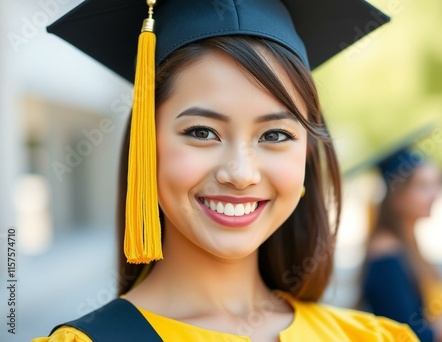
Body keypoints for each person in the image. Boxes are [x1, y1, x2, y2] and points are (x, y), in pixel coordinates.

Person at [34, 0, 419, 341]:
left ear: (307, 155)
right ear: (145, 147)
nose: (240, 173)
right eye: (202, 132)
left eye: (275, 134)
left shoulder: (372, 337)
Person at [359, 148, 442, 341]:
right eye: (423, 186)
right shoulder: (386, 256)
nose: (435, 195)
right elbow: (407, 335)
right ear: (397, 194)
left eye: (436, 184)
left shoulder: (407, 244)